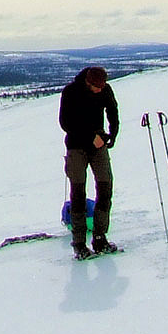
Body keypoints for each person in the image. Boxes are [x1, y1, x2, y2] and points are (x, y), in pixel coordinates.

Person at [58, 65, 120, 259]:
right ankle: (79, 244)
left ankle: (100, 238)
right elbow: (65, 122)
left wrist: (111, 135)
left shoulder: (105, 89)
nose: (100, 90)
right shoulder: (71, 91)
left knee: (105, 187)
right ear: (88, 82)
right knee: (78, 193)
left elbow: (112, 111)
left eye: (102, 87)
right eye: (97, 87)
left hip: (98, 144)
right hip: (76, 146)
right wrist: (89, 137)